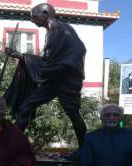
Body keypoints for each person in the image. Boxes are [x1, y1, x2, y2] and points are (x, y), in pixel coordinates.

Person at [5, 3, 87, 148]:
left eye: (34, 16)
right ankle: (14, 147)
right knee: (26, 106)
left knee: (73, 113)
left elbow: (79, 50)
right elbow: (46, 62)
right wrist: (18, 55)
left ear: (45, 13)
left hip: (67, 78)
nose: (32, 20)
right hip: (52, 79)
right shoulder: (50, 32)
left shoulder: (63, 29)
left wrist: (60, 67)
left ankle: (84, 150)